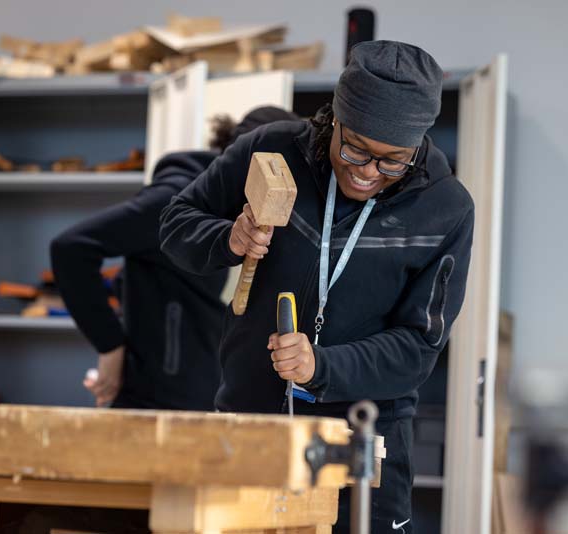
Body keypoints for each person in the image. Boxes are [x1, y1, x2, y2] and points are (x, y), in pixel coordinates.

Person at [159, 41, 474, 533]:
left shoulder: (446, 209)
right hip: (251, 421)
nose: (369, 173)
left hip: (363, 441)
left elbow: (417, 348)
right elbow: (176, 223)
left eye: (393, 162)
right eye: (356, 149)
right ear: (335, 119)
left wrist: (320, 366)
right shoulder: (271, 149)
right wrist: (228, 238)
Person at [50, 106, 299, 410]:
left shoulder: (231, 209)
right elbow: (71, 248)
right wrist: (110, 347)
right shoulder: (173, 200)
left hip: (195, 396)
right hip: (154, 402)